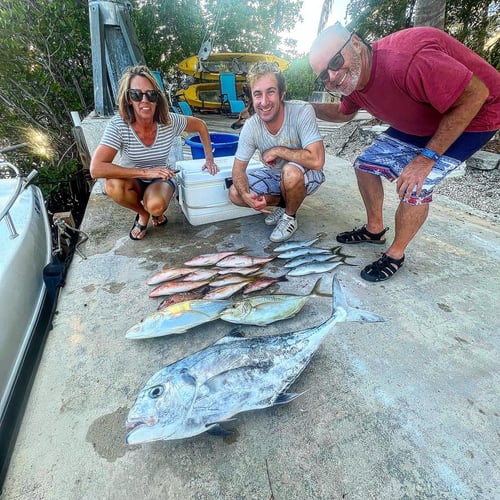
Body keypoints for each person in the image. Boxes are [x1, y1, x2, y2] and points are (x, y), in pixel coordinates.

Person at [309, 24, 499, 282]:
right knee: (364, 165)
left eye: (335, 62)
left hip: (474, 113)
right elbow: (344, 113)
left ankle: (396, 254)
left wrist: (426, 159)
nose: (331, 77)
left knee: (416, 184)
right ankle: (374, 230)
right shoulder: (353, 81)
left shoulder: (407, 60)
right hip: (427, 114)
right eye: (323, 76)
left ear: (355, 43)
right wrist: (304, 108)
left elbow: (477, 94)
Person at [90, 65, 218, 240]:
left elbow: (200, 125)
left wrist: (209, 159)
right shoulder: (118, 125)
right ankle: (142, 214)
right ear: (128, 99)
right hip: (132, 179)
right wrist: (144, 172)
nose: (145, 100)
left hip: (160, 178)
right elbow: (96, 169)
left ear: (157, 99)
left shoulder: (169, 121)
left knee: (156, 206)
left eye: (151, 94)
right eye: (136, 94)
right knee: (112, 186)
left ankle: (154, 212)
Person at [228, 62, 325, 243]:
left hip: (307, 174)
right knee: (235, 192)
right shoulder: (251, 126)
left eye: (271, 92)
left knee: (290, 171)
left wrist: (278, 150)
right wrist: (246, 196)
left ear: (282, 94)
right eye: (258, 94)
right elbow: (238, 170)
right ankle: (284, 203)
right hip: (275, 175)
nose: (264, 102)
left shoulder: (301, 111)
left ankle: (289, 217)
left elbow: (317, 160)